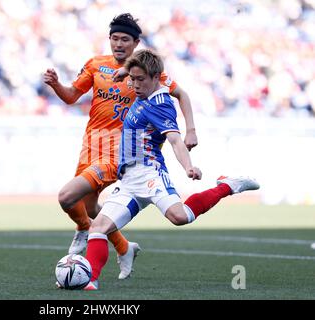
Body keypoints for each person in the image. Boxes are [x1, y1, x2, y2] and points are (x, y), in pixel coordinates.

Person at [83, 49, 260, 290]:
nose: (134, 85)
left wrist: (188, 166)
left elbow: (175, 140)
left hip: (151, 174)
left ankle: (228, 185)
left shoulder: (160, 104)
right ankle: (90, 279)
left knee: (180, 217)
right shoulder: (143, 84)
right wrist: (126, 70)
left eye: (139, 79)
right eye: (132, 79)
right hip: (129, 181)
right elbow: (143, 62)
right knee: (98, 227)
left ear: (157, 77)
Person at [43, 13, 198, 280]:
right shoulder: (95, 65)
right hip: (91, 145)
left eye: (125, 39)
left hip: (120, 151)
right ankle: (124, 247)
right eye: (114, 38)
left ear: (136, 42)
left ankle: (83, 230)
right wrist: (57, 85)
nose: (118, 44)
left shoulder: (145, 72)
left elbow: (181, 94)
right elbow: (71, 97)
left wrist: (191, 131)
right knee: (93, 209)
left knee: (67, 197)